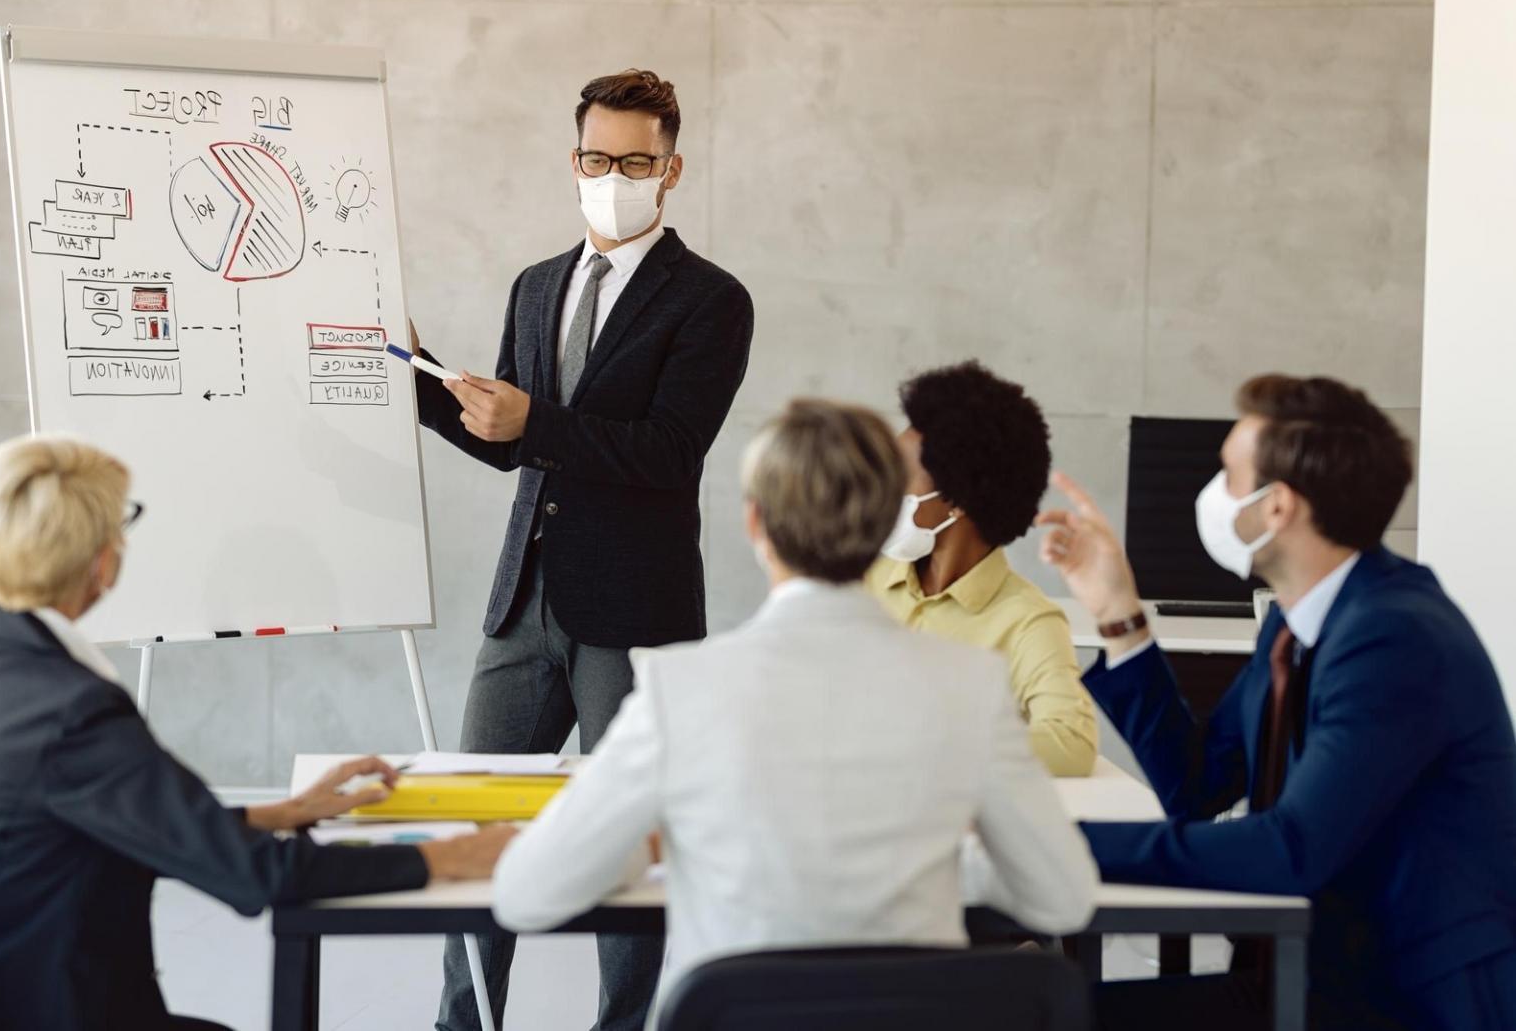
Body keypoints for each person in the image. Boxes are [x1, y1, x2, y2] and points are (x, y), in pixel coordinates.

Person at [489, 398, 1099, 1021]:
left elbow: (526, 892)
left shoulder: (679, 687)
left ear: (755, 522)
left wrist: (661, 850)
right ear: (885, 522)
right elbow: (1064, 897)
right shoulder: (970, 686)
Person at [0, 435, 516, 1031]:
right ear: (101, 559)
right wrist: (446, 856)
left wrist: (285, 811)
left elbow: (133, 819)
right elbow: (260, 873)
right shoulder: (74, 712)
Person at [411, 67, 752, 1031]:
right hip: (522, 601)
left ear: (671, 169)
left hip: (634, 614)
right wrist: (417, 378)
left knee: (630, 849)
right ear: (573, 159)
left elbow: (671, 451)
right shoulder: (536, 284)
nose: (612, 177)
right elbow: (509, 439)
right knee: (479, 826)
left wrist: (535, 421)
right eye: (596, 159)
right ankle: (461, 1023)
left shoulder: (711, 300)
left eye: (635, 163)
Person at [1035, 375, 1516, 1030]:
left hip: (1400, 1001)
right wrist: (1119, 611)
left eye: (1228, 474)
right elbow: (1197, 785)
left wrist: (1054, 844)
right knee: (1038, 1006)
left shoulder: (1394, 635)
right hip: (1302, 979)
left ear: (1277, 506)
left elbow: (1289, 850)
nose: (1211, 493)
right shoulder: (1296, 622)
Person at [866, 362, 1098, 776]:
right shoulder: (866, 578)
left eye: (900, 476)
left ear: (956, 501)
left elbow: (1072, 743)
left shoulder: (1027, 621)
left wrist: (934, 746)